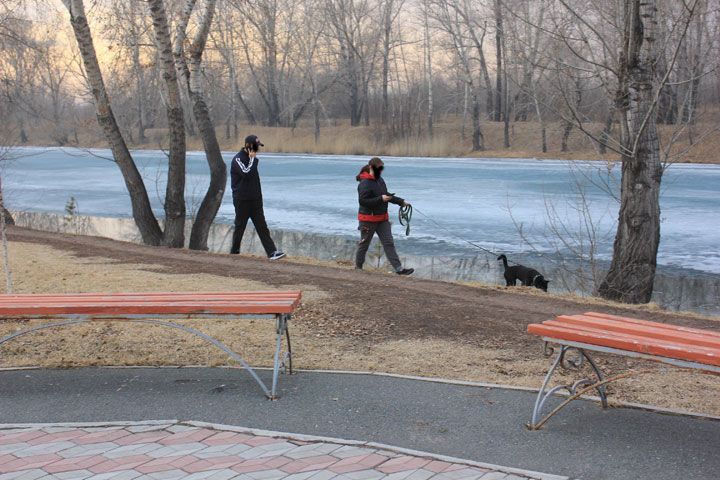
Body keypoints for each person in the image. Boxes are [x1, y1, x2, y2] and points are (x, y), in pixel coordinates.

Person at [229, 135, 285, 260]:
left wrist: (259, 196)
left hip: (255, 199)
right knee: (240, 226)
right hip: (242, 199)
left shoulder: (252, 160)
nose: (257, 150)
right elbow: (246, 173)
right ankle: (234, 252)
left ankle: (272, 252)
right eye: (255, 147)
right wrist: (253, 160)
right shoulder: (238, 159)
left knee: (262, 226)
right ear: (248, 145)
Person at [355, 157, 414, 275]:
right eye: (378, 169)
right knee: (364, 244)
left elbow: (385, 195)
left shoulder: (380, 180)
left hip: (382, 219)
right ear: (371, 168)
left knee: (389, 243)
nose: (381, 171)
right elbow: (363, 201)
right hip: (368, 220)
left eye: (382, 169)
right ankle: (358, 267)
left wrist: (400, 201)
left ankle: (399, 269)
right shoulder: (365, 182)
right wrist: (380, 199)